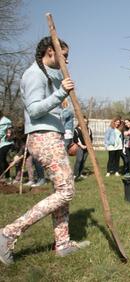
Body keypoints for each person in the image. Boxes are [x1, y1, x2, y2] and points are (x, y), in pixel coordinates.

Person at [0, 36, 89, 266]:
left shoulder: (51, 74)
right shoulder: (33, 75)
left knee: (61, 192)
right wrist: (61, 93)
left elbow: (59, 105)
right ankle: (8, 233)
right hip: (42, 137)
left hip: (54, 136)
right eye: (64, 56)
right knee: (66, 192)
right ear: (50, 51)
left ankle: (62, 243)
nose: (67, 61)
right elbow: (34, 109)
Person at [73, 116, 92, 180]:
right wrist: (81, 145)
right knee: (79, 160)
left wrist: (88, 145)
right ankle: (75, 175)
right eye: (84, 122)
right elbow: (75, 139)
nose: (85, 123)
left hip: (87, 147)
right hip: (79, 147)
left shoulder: (89, 130)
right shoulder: (76, 129)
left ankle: (80, 174)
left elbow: (90, 139)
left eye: (86, 122)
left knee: (83, 161)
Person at [0, 111, 13, 180]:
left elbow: (4, 133)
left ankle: (2, 176)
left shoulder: (5, 122)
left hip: (5, 143)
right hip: (1, 143)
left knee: (1, 159)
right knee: (3, 160)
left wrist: (8, 136)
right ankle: (7, 176)